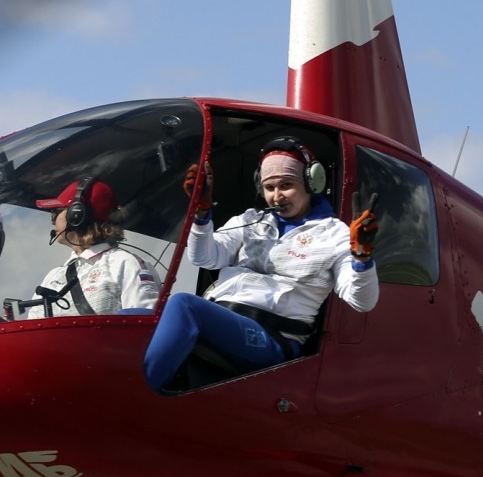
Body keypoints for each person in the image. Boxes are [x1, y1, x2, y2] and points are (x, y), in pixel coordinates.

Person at [143, 139, 380, 391]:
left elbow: (362, 301)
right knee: (126, 320)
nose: (277, 196)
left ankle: (142, 397)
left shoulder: (335, 234)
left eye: (286, 185)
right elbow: (204, 257)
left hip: (272, 337)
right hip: (222, 319)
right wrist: (201, 212)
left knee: (183, 305)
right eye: (269, 187)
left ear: (312, 183)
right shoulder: (250, 220)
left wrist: (362, 256)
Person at [26, 178, 160, 317]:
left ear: (76, 215)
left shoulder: (125, 264)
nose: (52, 220)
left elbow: (143, 329)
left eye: (56, 212)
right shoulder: (53, 277)